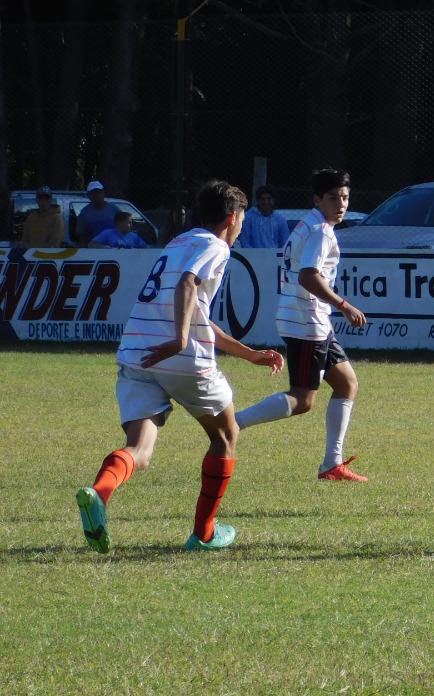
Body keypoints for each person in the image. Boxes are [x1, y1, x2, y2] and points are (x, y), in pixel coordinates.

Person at [75, 180, 285, 554]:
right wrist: (180, 338)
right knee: (226, 437)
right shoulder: (215, 246)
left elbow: (198, 312)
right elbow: (187, 285)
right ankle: (204, 533)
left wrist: (249, 353)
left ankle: (99, 493)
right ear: (234, 218)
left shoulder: (179, 242)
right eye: (241, 220)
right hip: (181, 356)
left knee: (139, 450)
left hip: (139, 350)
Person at [234, 168, 369, 481]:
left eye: (346, 197)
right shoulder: (320, 230)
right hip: (306, 320)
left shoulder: (306, 225)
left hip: (311, 319)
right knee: (303, 399)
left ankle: (331, 464)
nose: (341, 203)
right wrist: (344, 305)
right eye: (333, 197)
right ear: (317, 199)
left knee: (347, 383)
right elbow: (309, 275)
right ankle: (234, 422)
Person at [238, 184, 290, 249]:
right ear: (258, 201)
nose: (266, 202)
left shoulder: (280, 219)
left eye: (269, 199)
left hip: (274, 257)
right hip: (251, 256)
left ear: (273, 200)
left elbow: (285, 243)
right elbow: (244, 241)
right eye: (263, 199)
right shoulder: (247, 218)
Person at [75, 180, 118, 247]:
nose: (96, 196)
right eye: (92, 194)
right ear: (89, 196)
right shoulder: (84, 213)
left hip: (115, 250)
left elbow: (124, 227)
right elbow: (81, 236)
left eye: (98, 192)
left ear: (103, 193)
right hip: (94, 252)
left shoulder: (114, 209)